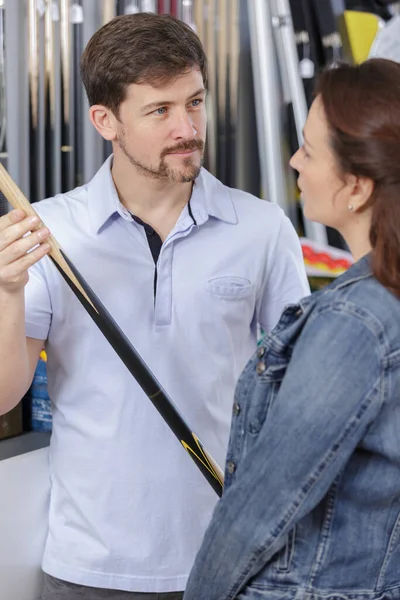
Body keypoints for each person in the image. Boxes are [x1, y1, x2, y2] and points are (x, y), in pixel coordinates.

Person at [0, 12, 309, 600]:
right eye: (160, 111)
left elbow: (298, 395)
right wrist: (6, 291)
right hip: (89, 566)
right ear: (105, 121)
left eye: (194, 102)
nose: (187, 127)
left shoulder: (263, 228)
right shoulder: (47, 230)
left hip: (229, 556)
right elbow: (2, 394)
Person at [183, 57, 400, 600]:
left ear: (356, 186)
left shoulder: (354, 323)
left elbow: (266, 501)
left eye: (307, 147)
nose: (294, 161)